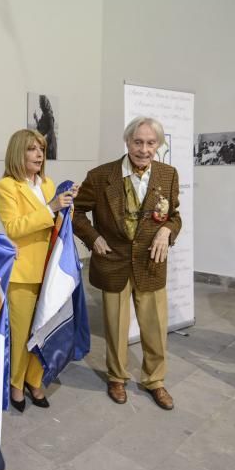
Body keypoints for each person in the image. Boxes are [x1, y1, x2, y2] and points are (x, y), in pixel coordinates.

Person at [72, 116, 182, 409]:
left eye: (150, 143)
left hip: (151, 264)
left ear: (157, 145)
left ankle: (155, 380)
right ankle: (116, 377)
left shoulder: (168, 175)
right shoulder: (100, 176)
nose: (143, 149)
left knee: (155, 329)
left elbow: (174, 215)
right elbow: (77, 213)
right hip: (113, 262)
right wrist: (93, 238)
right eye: (138, 142)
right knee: (115, 328)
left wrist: (166, 231)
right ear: (127, 142)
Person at [0, 129, 76, 412]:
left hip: (50, 271)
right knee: (20, 334)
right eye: (32, 149)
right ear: (19, 152)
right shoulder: (6, 186)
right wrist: (52, 207)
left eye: (41, 148)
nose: (39, 154)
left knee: (43, 330)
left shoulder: (49, 183)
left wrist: (66, 209)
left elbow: (55, 224)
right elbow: (13, 228)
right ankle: (16, 385)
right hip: (22, 273)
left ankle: (34, 379)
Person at [33, 95, 58, 160]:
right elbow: (39, 128)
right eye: (40, 103)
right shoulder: (43, 115)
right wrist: (36, 118)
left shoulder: (49, 115)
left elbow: (51, 130)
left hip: (50, 144)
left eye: (41, 103)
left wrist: (44, 139)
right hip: (45, 143)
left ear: (44, 104)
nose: (40, 106)